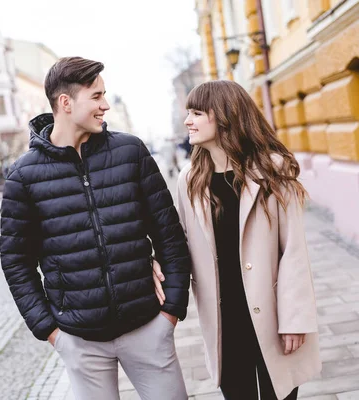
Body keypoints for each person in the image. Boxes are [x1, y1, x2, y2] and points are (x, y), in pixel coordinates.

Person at [0, 57, 191, 400]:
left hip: (148, 326)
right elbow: (16, 262)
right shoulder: (23, 176)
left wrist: (171, 310)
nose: (105, 105)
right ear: (65, 102)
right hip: (80, 341)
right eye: (97, 96)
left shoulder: (129, 151)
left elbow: (169, 234)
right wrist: (51, 332)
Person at [154, 80, 321, 400]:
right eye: (188, 112)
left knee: (280, 393)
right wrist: (153, 262)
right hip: (223, 319)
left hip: (271, 313)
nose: (188, 120)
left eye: (197, 112)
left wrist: (295, 319)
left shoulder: (272, 171)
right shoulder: (190, 180)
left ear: (226, 116)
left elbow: (294, 252)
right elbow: (181, 243)